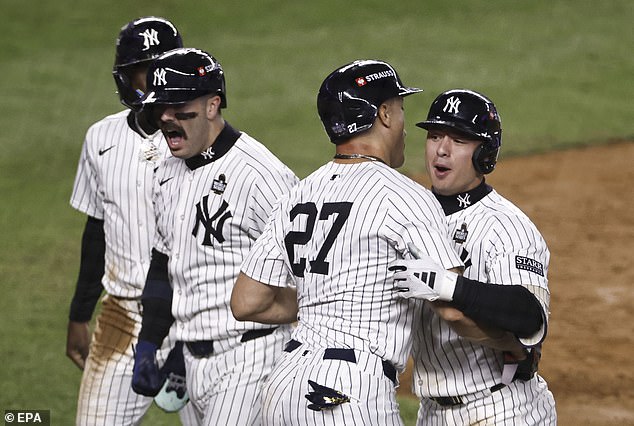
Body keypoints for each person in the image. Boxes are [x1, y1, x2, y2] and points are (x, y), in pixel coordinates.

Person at [230, 59, 464, 425]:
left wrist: (324, 299)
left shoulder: (299, 193)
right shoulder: (403, 195)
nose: (404, 126)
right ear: (384, 114)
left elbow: (246, 302)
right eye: (400, 110)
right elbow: (453, 305)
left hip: (283, 384)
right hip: (347, 392)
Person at [131, 47, 298, 425]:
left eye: (178, 107)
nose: (166, 119)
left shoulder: (260, 176)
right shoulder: (165, 170)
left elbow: (309, 272)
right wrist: (149, 343)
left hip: (252, 358)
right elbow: (164, 264)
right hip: (188, 363)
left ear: (212, 105)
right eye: (161, 109)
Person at [390, 89, 556, 424]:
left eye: (460, 140)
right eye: (435, 135)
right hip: (432, 413)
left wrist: (449, 286)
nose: (442, 149)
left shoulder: (507, 227)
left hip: (500, 409)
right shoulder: (409, 213)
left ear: (485, 155)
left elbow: (529, 314)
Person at [66, 16, 197, 425]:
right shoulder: (100, 139)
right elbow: (96, 231)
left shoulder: (201, 139)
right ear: (126, 78)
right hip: (122, 319)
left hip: (198, 317)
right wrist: (79, 314)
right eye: (144, 70)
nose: (154, 82)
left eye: (163, 68)